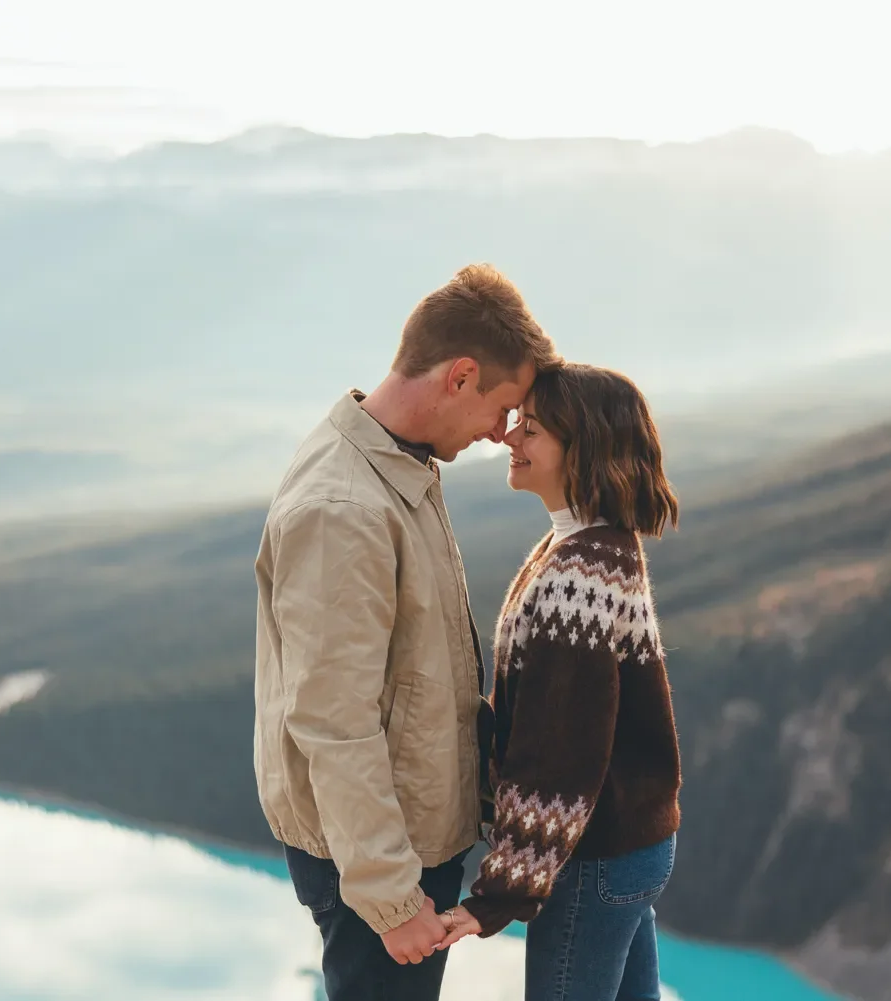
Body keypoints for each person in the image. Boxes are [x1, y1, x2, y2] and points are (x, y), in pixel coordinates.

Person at [253, 264, 560, 1000]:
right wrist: (391, 897)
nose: (502, 433)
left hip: (400, 841)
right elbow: (333, 720)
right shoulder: (345, 508)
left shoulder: (392, 462)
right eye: (504, 407)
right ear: (461, 376)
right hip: (380, 863)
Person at [438, 362, 683, 1001]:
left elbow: (562, 747)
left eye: (533, 430)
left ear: (584, 452)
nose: (510, 439)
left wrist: (497, 896)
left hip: (592, 857)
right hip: (629, 843)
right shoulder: (593, 543)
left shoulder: (577, 576)